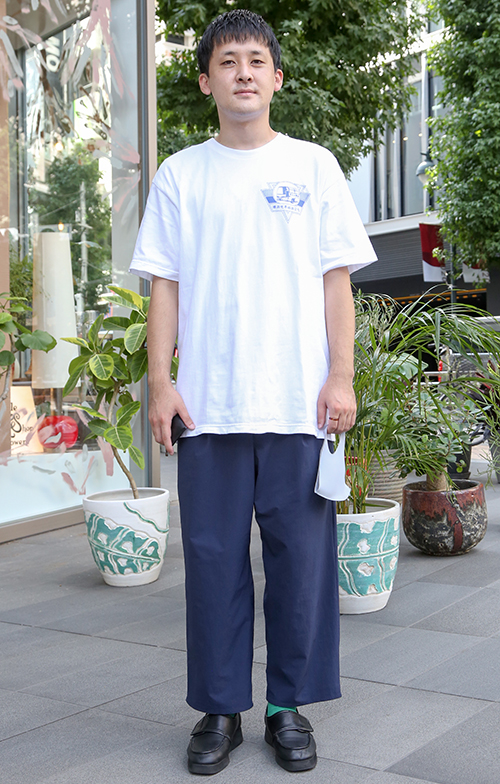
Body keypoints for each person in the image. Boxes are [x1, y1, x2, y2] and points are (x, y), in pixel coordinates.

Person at [129, 9, 376, 775]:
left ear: (276, 77)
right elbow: (164, 286)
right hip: (209, 406)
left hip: (299, 403)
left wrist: (342, 376)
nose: (243, 72)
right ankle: (219, 710)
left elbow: (336, 283)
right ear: (207, 81)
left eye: (255, 60)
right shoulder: (181, 174)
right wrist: (162, 383)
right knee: (211, 564)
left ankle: (286, 707)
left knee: (301, 565)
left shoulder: (313, 166)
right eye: (227, 61)